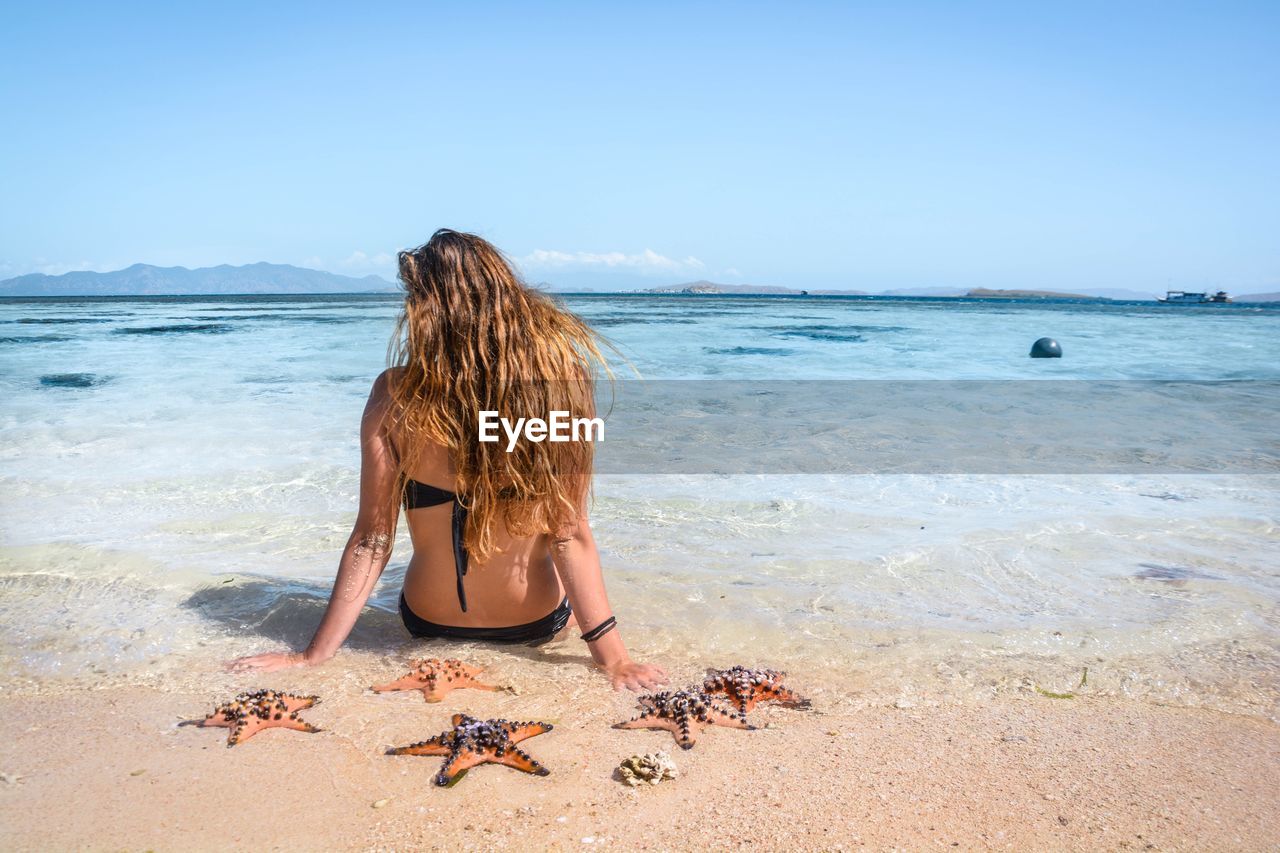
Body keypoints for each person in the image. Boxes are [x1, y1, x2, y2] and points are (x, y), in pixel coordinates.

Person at [228, 229, 668, 691]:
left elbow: (372, 539)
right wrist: (615, 661)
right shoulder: (563, 385)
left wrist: (313, 656)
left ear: (429, 310)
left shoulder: (393, 393)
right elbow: (569, 532)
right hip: (535, 625)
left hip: (426, 624)